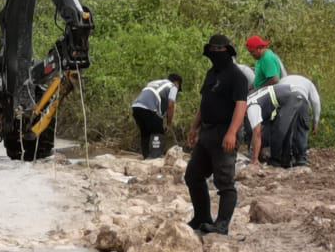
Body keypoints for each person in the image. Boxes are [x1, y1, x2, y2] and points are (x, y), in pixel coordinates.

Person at [185, 34, 249, 235]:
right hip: (207, 131)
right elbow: (205, 104)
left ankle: (222, 224)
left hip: (224, 132)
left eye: (219, 50)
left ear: (227, 52)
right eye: (212, 50)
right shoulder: (211, 73)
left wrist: (232, 133)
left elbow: (241, 106)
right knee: (193, 175)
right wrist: (194, 127)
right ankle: (202, 217)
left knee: (224, 182)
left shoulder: (237, 76)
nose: (215, 54)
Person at [245, 82, 311, 168]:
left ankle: (278, 161)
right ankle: (298, 160)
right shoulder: (249, 99)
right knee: (289, 127)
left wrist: (254, 159)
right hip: (299, 94)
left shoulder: (251, 107)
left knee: (280, 129)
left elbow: (257, 133)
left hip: (292, 97)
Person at [131, 74, 183, 158]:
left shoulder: (153, 82)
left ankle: (146, 157)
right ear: (177, 83)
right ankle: (155, 158)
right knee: (158, 132)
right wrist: (169, 123)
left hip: (136, 107)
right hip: (149, 108)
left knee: (145, 133)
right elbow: (171, 105)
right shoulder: (173, 86)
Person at [280, 74, 320, 165]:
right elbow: (316, 101)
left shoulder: (283, 80)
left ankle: (284, 158)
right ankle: (301, 158)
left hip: (285, 99)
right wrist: (316, 122)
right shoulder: (309, 83)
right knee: (301, 128)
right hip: (301, 99)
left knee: (285, 128)